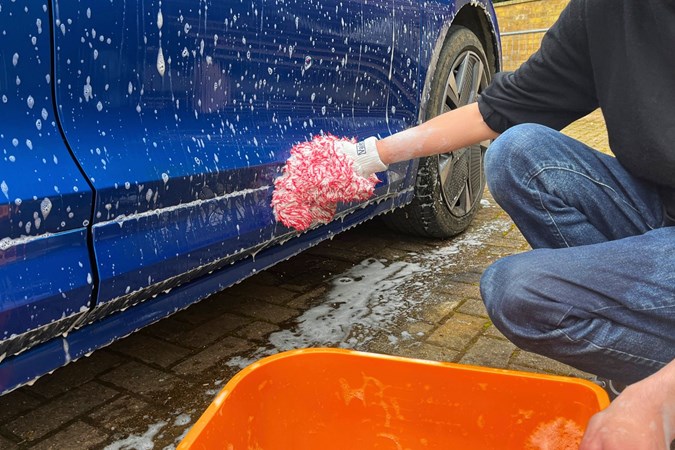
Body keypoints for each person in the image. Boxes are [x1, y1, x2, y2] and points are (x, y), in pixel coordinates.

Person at [336, 0, 675, 448]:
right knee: (517, 151)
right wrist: (365, 159)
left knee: (519, 292)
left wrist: (658, 400)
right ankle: (637, 347)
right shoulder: (607, 10)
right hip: (661, 209)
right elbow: (494, 112)